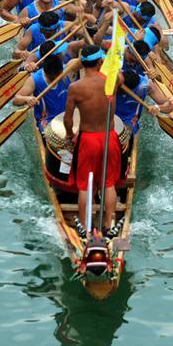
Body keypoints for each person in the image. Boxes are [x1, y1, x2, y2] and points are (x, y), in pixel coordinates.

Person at [64, 44, 123, 234]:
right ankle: (109, 223)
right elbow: (120, 76)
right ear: (100, 61)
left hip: (88, 140)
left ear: (82, 64)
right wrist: (108, 62)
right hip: (109, 138)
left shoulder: (75, 87)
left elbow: (68, 118)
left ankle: (84, 226)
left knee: (84, 184)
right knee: (108, 183)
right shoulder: (112, 81)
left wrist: (69, 135)